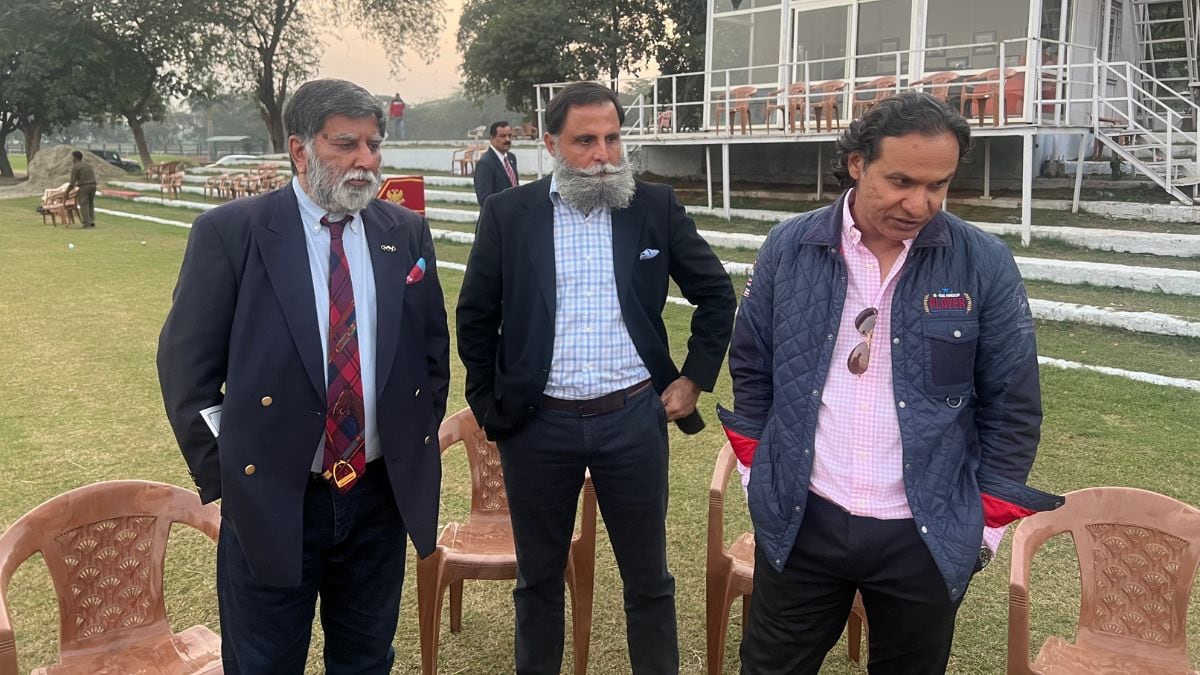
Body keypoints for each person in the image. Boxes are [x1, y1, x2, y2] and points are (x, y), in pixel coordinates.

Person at [718, 92, 1063, 674]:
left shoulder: (982, 263)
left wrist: (985, 528)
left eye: (939, 185)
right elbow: (751, 366)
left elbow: (1013, 404)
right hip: (804, 518)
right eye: (900, 180)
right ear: (857, 163)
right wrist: (759, 474)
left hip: (923, 533)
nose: (919, 203)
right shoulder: (790, 247)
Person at [157, 78, 450, 674]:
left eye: (373, 143)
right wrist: (235, 476)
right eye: (346, 143)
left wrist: (403, 442)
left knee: (367, 659)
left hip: (376, 495)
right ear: (300, 149)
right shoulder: (233, 233)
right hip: (275, 497)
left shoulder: (404, 232)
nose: (364, 160)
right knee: (265, 662)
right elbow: (187, 373)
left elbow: (430, 356)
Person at [456, 81, 736, 675]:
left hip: (633, 418)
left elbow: (715, 294)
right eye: (586, 141)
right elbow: (476, 317)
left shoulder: (652, 207)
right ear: (553, 144)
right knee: (538, 581)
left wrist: (692, 381)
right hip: (537, 426)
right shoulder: (509, 214)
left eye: (612, 138)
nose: (603, 154)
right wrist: (488, 405)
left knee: (649, 581)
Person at [473, 120, 519, 206]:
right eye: (502, 136)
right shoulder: (485, 163)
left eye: (509, 136)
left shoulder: (511, 158)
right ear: (492, 138)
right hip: (497, 217)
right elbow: (485, 199)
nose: (507, 139)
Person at [66, 150, 96, 228]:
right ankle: (91, 220)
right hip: (93, 185)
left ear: (75, 158)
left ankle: (86, 223)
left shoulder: (76, 167)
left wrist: (67, 192)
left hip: (84, 187)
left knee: (84, 204)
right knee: (90, 203)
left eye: (72, 158)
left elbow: (72, 182)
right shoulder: (88, 165)